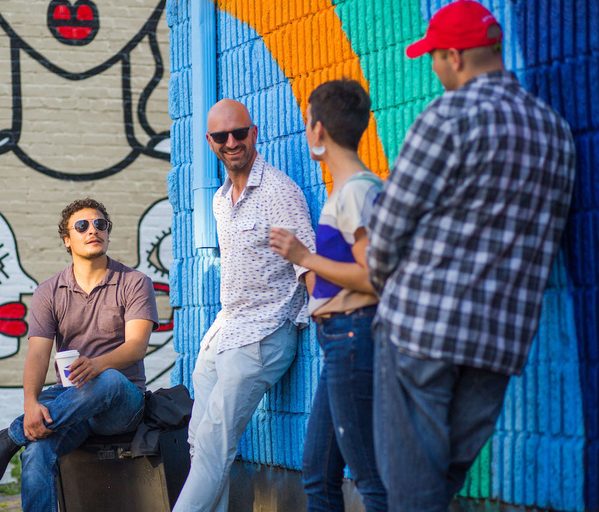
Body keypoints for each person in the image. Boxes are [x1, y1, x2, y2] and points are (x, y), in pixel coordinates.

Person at [366, 2, 577, 511]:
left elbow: (389, 225)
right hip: (499, 342)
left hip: (422, 327)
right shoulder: (555, 132)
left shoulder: (448, 116)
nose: (433, 69)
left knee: (413, 488)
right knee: (437, 485)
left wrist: (378, 277)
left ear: (455, 56)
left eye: (434, 58)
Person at [172, 99, 315, 512]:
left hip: (264, 335)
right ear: (210, 143)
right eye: (222, 137)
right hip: (223, 333)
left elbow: (308, 263)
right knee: (200, 445)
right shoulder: (220, 199)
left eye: (239, 133)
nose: (232, 142)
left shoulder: (278, 192)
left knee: (215, 446)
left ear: (255, 133)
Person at [0, 198, 159, 512]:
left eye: (100, 224)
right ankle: (23, 433)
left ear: (108, 233)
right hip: (73, 401)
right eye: (82, 226)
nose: (93, 231)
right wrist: (31, 404)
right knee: (36, 451)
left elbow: (136, 347)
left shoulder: (134, 282)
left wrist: (97, 365)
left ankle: (10, 436)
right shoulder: (48, 292)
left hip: (122, 402)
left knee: (109, 380)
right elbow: (37, 355)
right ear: (67, 239)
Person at [270, 79, 387, 511]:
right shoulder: (348, 191)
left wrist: (304, 257)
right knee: (318, 474)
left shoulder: (358, 192)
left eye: (306, 124)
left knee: (371, 480)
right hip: (339, 341)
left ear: (317, 130)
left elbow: (374, 277)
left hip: (353, 339)